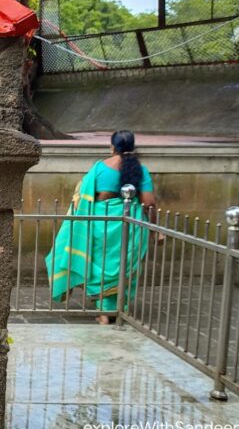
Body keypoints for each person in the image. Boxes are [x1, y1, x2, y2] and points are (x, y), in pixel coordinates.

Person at [45, 130, 159, 324]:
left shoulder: (99, 168)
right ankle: (117, 309)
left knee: (98, 266)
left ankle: (104, 311)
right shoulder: (140, 169)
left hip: (100, 222)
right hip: (129, 224)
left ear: (112, 147)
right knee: (123, 264)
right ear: (133, 147)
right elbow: (148, 202)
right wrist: (155, 228)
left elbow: (83, 195)